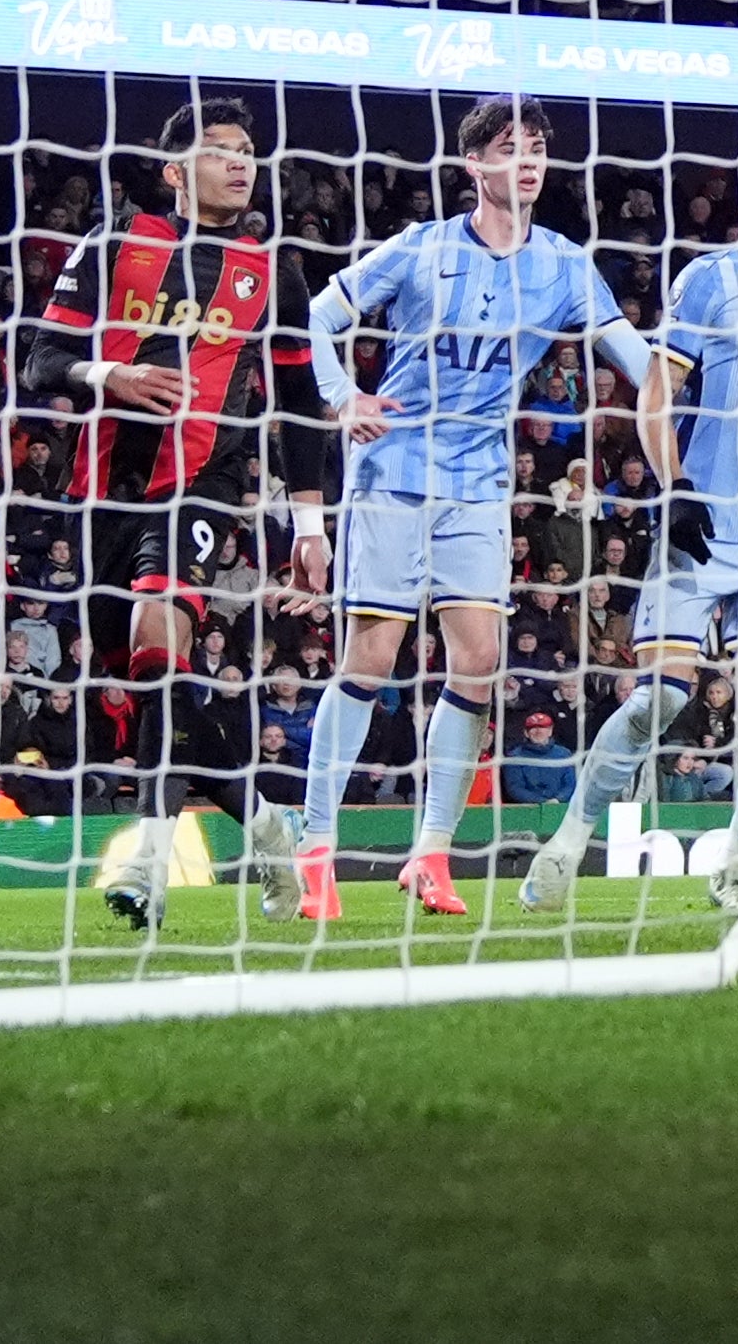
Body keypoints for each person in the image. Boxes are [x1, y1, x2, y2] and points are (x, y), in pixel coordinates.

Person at [292, 99, 653, 923]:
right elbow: (315, 314)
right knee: (372, 656)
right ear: (472, 166)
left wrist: (687, 374)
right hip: (392, 472)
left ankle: (431, 852)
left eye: (536, 148)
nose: (526, 161)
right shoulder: (421, 250)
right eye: (507, 147)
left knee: (481, 659)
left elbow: (631, 356)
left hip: (480, 482)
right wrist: (341, 395)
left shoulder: (564, 264)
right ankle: (316, 848)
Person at [22, 95, 322, 934]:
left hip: (204, 483)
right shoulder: (115, 243)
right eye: (220, 149)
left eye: (248, 150)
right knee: (158, 688)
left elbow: (299, 401)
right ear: (174, 170)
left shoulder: (274, 270)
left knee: (161, 646)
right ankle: (267, 826)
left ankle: (147, 863)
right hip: (101, 495)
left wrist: (309, 526)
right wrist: (108, 377)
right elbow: (41, 360)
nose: (240, 162)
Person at [524, 133, 738, 914]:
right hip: (706, 521)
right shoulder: (714, 279)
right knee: (659, 699)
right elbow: (657, 388)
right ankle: (566, 844)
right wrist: (674, 483)